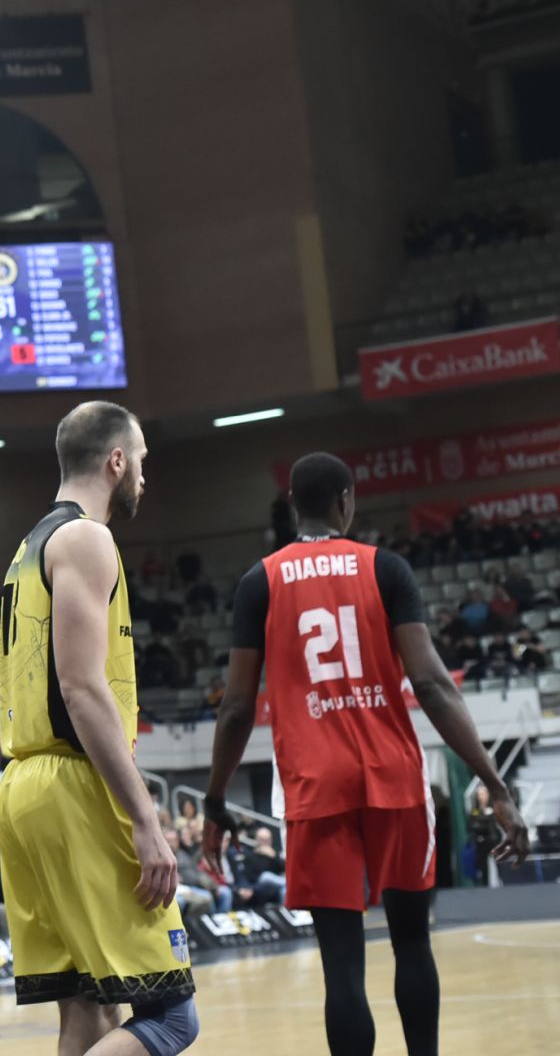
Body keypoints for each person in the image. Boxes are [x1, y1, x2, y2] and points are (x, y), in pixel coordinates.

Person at [206, 451, 530, 1056]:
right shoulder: (387, 569)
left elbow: (236, 708)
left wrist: (216, 799)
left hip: (314, 786)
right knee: (412, 945)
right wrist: (497, 784)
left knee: (343, 971)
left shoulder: (260, 582)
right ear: (347, 500)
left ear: (290, 509)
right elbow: (432, 684)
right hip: (395, 779)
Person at [0, 402, 197, 1055]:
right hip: (75, 788)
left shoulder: (28, 548)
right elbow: (81, 688)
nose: (144, 476)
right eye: (140, 460)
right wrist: (145, 817)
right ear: (116, 460)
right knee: (170, 1019)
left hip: (23, 788)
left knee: (88, 1011)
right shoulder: (86, 539)